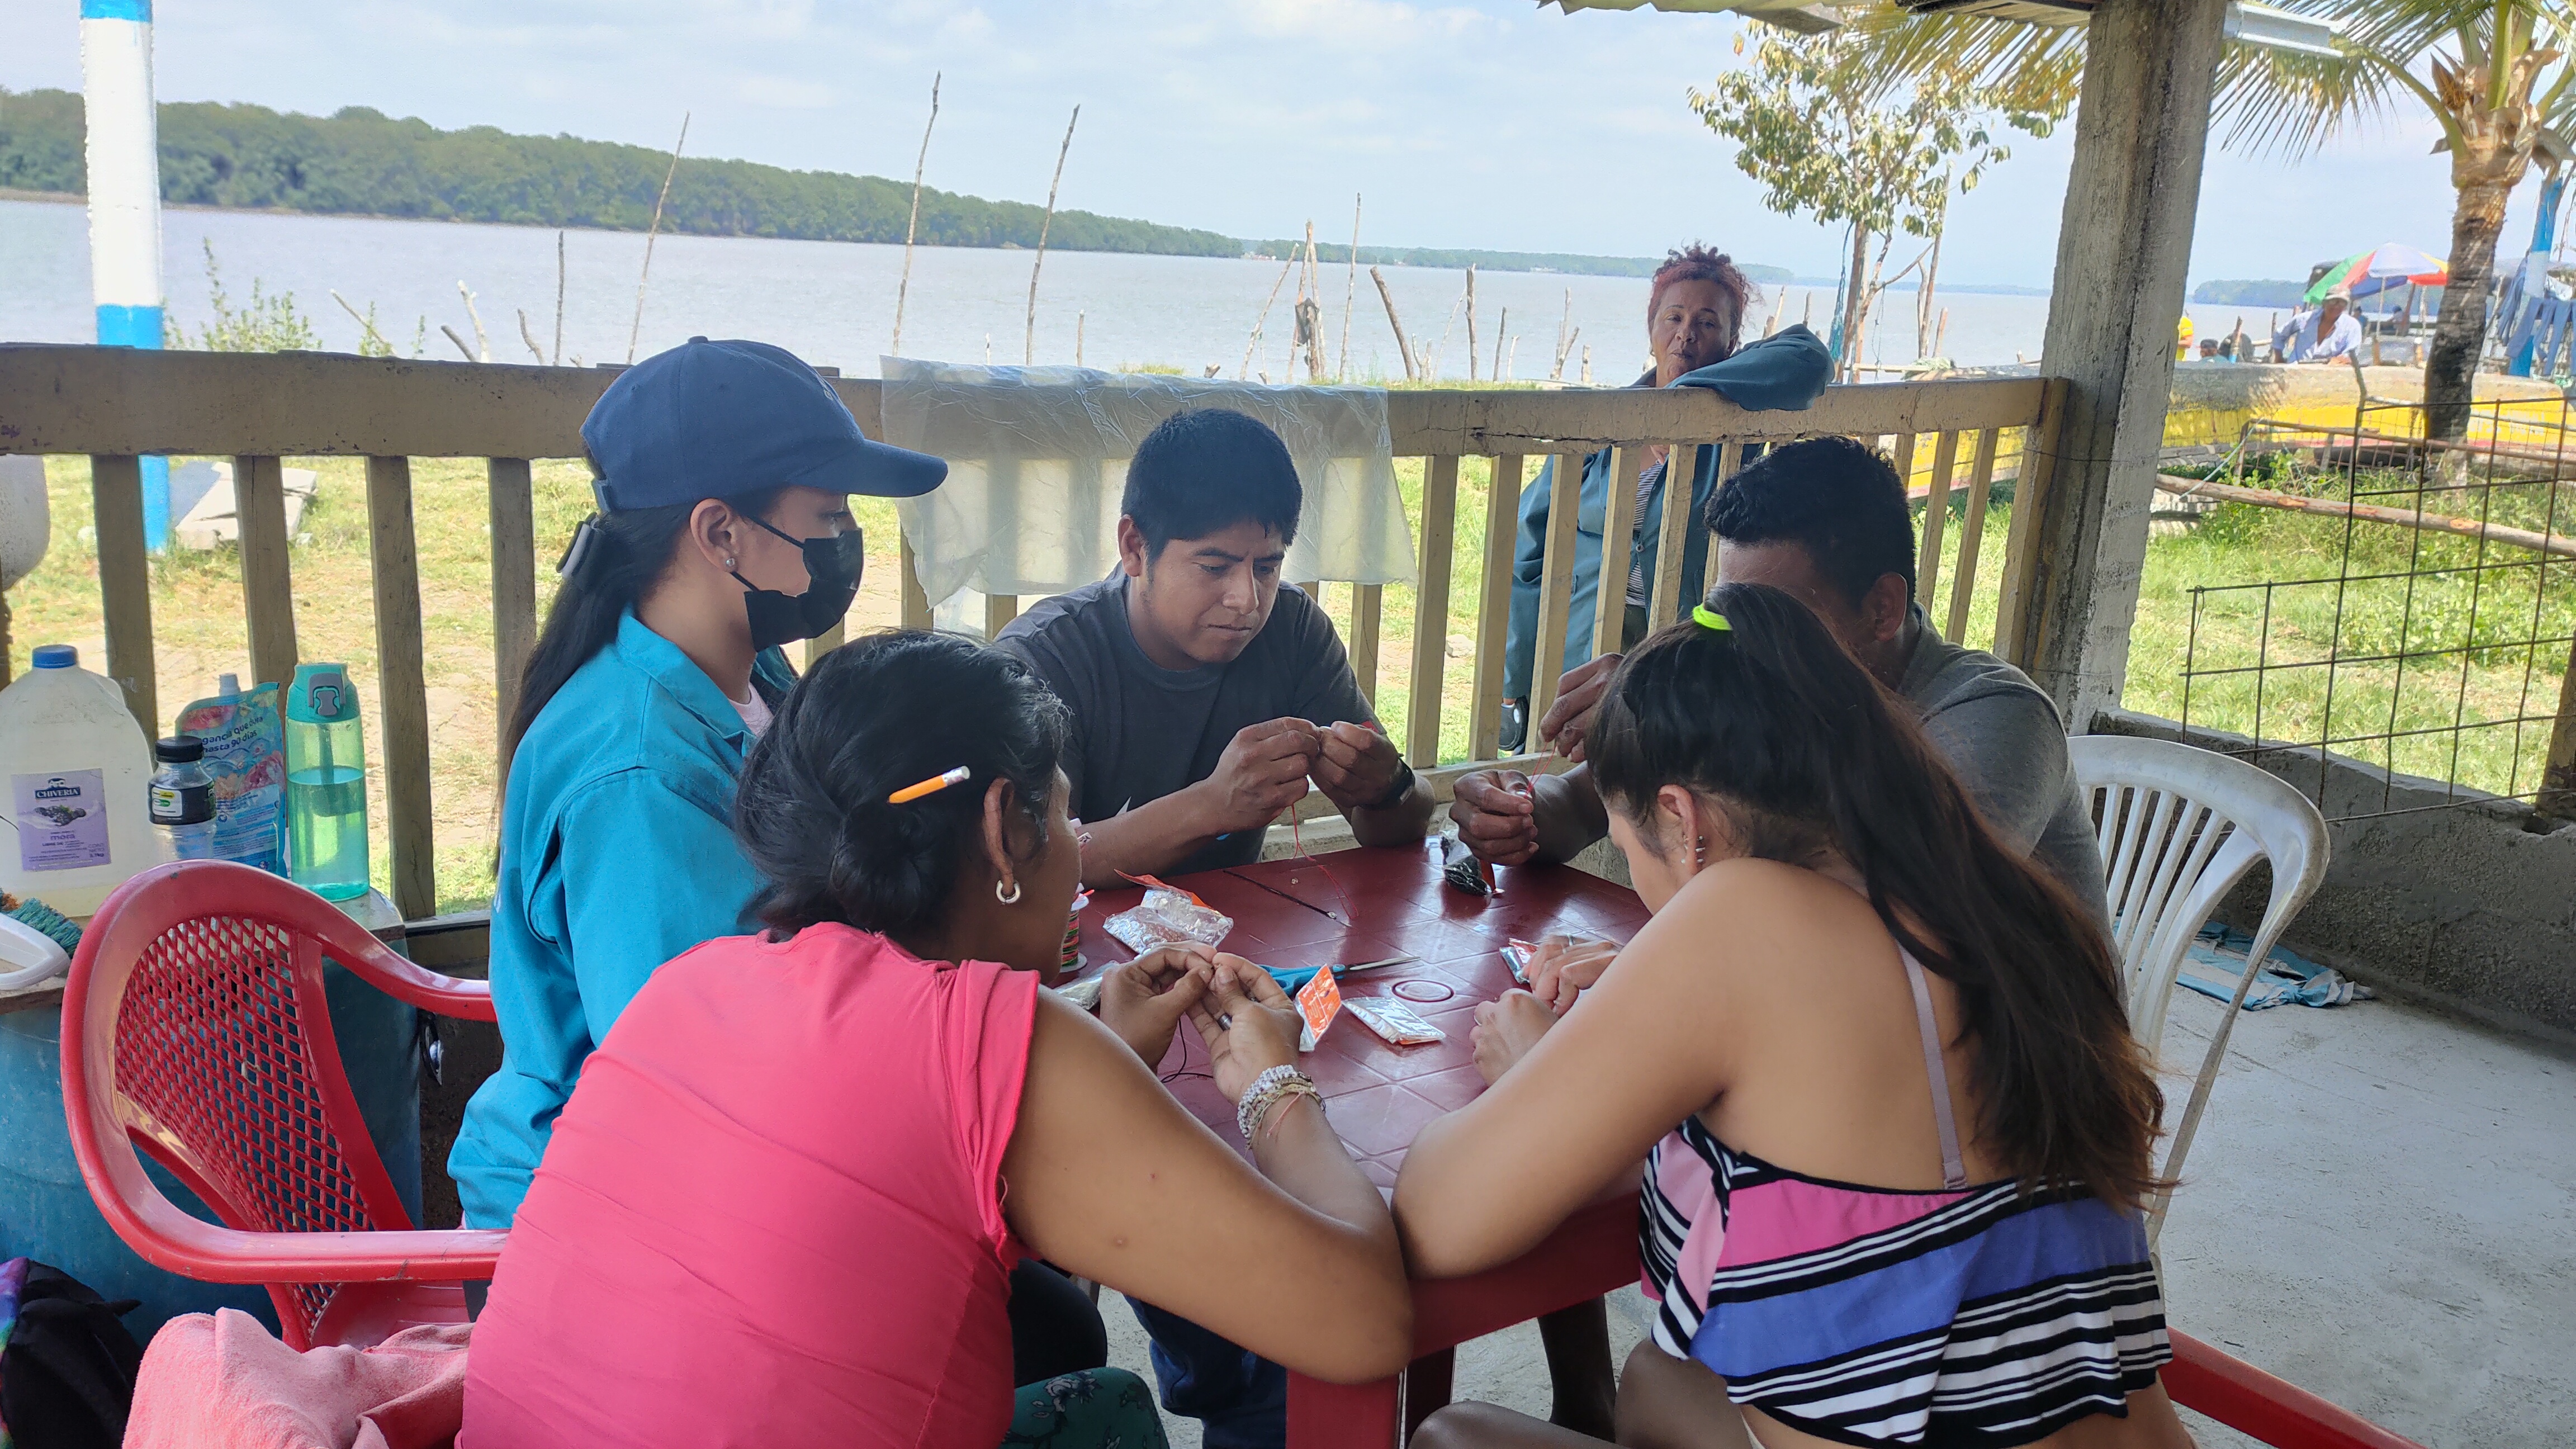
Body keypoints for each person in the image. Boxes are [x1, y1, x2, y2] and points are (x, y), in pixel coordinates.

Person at [458, 631, 1414, 1447]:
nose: (1076, 849)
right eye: (1064, 815)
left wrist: (1104, 1059)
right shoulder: (1011, 1048)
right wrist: (1274, 1087)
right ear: (1002, 829)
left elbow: (903, 1176)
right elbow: (1363, 1322)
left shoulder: (693, 983)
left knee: (1102, 1394)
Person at [441, 339, 1117, 1377]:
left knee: (1047, 1314)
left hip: (734, 1145)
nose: (848, 542)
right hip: (616, 1219)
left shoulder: (745, 670)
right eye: (830, 516)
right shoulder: (637, 775)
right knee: (1038, 1328)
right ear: (720, 532)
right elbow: (702, 1075)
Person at [1398, 585, 2192, 1449]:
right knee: (1661, 1378)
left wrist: (1540, 1075)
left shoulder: (1739, 916)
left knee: (1453, 1437)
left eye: (1627, 847)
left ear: (1682, 822)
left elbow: (1441, 1218)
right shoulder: (1998, 902)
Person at [1452, 436, 2111, 948]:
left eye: (1773, 617)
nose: (1744, 644)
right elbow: (1581, 805)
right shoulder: (1760, 685)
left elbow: (1890, 926)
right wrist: (1519, 817)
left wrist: (1655, 976)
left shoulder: (1994, 719)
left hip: (2011, 1069)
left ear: (1882, 608)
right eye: (1728, 612)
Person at [995, 407, 1433, 888]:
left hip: (1239, 933)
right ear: (1135, 547)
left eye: (1266, 568)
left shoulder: (1292, 629)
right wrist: (1212, 806)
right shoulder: (1044, 658)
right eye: (1214, 567)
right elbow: (1030, 866)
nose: (1247, 600)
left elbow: (1395, 827)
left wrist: (1390, 788)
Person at [1496, 245, 1832, 752]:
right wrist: (1514, 683)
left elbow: (1809, 358)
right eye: (1673, 317)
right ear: (1652, 327)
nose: (1687, 333)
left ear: (1732, 341)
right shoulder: (1601, 426)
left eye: (1708, 323)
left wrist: (1684, 401)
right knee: (1557, 778)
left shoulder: (1737, 426)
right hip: (1578, 640)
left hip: (1678, 651)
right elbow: (1529, 552)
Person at [2272, 287, 2361, 363]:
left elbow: (2351, 353)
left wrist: (2337, 361)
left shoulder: (2352, 326)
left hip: (2329, 373)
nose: (2336, 306)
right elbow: (2279, 335)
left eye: (2342, 303)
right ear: (2324, 303)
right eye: (2333, 301)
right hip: (2295, 369)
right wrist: (2279, 358)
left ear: (2346, 306)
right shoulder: (2304, 319)